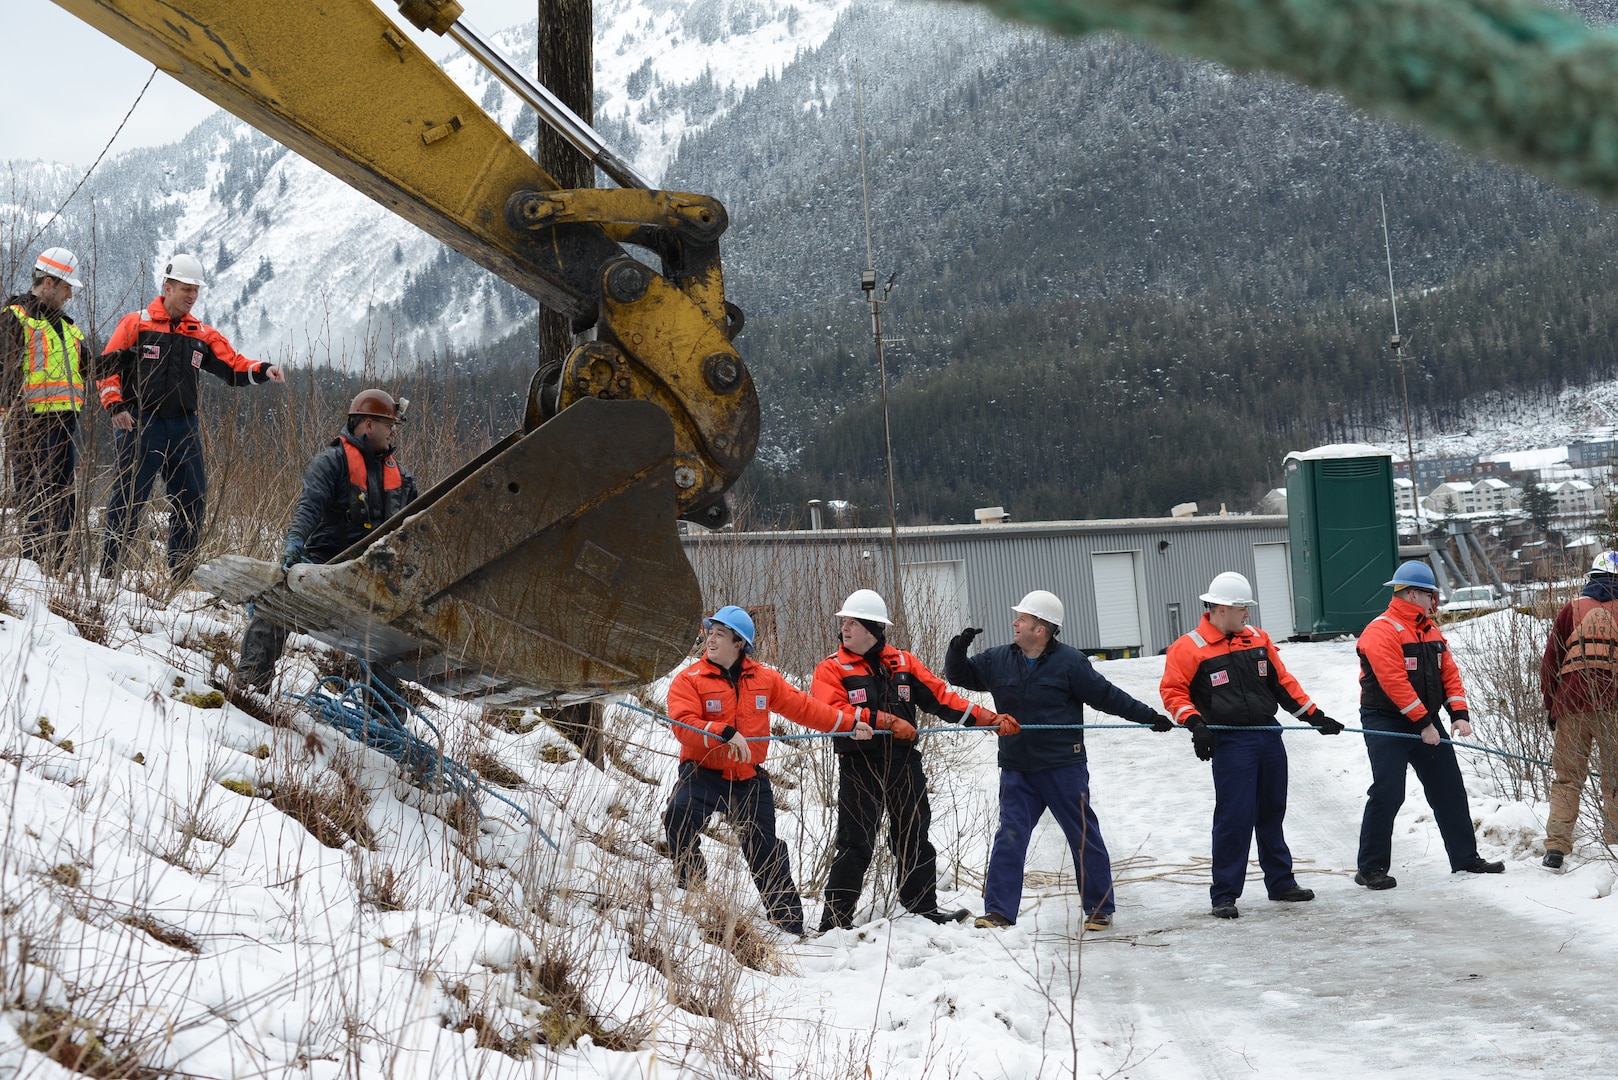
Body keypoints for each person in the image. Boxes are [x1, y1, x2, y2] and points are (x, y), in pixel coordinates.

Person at [946, 589, 1171, 933]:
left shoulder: (1070, 663)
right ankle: (999, 912)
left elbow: (1107, 697)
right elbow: (959, 677)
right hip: (1017, 769)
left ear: (1041, 629)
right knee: (1010, 836)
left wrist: (1148, 716)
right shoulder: (997, 659)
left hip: (1063, 767)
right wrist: (957, 649)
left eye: (1022, 618)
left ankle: (1099, 908)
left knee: (1083, 835)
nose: (1014, 623)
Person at [664, 605, 879, 936]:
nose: (711, 639)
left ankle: (788, 923)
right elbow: (683, 724)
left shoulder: (764, 679)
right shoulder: (689, 679)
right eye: (711, 632)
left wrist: (849, 724)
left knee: (765, 848)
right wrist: (721, 731)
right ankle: (691, 882)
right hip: (701, 773)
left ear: (739, 644)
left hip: (748, 780)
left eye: (720, 634)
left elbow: (806, 709)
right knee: (678, 814)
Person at [812, 589, 1017, 932]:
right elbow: (831, 711)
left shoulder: (903, 662)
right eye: (844, 622)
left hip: (904, 764)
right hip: (858, 766)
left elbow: (943, 699)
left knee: (913, 834)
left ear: (872, 629)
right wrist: (886, 721)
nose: (844, 628)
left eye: (851, 622)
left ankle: (922, 909)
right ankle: (834, 923)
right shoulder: (831, 668)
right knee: (855, 843)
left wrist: (991, 719)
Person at [1160, 572, 1344, 919]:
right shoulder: (1189, 647)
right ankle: (1225, 893)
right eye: (1242, 608)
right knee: (1235, 817)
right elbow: (1173, 692)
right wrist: (1196, 724)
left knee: (1272, 812)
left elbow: (1282, 683)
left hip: (1267, 736)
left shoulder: (1258, 639)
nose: (1247, 615)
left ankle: (1281, 882)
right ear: (1221, 608)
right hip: (1230, 742)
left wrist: (1314, 716)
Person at [97, 253, 285, 579]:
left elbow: (233, 366)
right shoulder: (136, 323)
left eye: (195, 290)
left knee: (192, 498)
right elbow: (106, 368)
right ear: (167, 287)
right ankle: (108, 575)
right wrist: (115, 406)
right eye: (185, 288)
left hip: (184, 426)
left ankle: (181, 575)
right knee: (129, 499)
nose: (191, 296)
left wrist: (263, 369)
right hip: (141, 422)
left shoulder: (200, 333)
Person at [237, 390, 418, 689]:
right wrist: (294, 541)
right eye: (390, 424)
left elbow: (417, 528)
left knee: (387, 636)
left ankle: (382, 727)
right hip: (326, 561)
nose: (394, 431)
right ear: (369, 425)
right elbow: (309, 505)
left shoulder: (403, 478)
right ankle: (251, 684)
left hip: (377, 574)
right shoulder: (331, 462)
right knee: (276, 601)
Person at [1355, 561, 1503, 889]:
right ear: (1411, 593)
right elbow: (1393, 682)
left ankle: (1465, 858)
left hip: (1426, 719)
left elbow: (1448, 673)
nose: (1433, 600)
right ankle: (1371, 867)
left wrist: (1459, 714)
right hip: (1387, 720)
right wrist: (1423, 723)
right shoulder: (1381, 630)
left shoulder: (1429, 630)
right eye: (1429, 594)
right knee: (1388, 792)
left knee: (1448, 789)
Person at [1, 248, 89, 572]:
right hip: (30, 427)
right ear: (49, 283)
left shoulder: (65, 326)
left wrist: (129, 358)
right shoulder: (15, 319)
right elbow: (3, 374)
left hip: (64, 427)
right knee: (37, 507)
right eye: (67, 287)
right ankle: (32, 581)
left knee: (64, 507)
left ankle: (58, 576)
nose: (70, 295)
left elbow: (89, 366)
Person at [1538, 551, 1618, 869]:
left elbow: (1550, 665)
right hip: (1613, 706)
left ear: (1592, 578)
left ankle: (1556, 848)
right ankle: (1614, 844)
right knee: (1614, 779)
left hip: (1570, 705)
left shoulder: (1571, 610)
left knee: (1567, 779)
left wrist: (1551, 707)